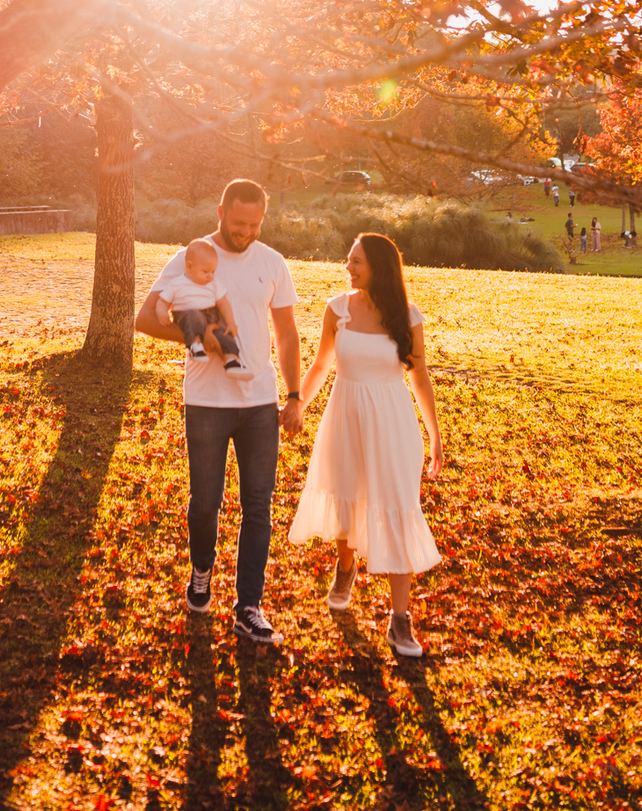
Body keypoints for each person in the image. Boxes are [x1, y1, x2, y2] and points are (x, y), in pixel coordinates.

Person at [135, 179, 302, 645]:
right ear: (220, 211)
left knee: (258, 504)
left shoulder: (272, 263)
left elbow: (287, 335)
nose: (245, 232)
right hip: (207, 402)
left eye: (254, 224)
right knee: (205, 503)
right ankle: (202, 572)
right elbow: (146, 319)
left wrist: (293, 395)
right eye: (238, 222)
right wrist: (199, 339)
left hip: (260, 403)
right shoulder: (190, 257)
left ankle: (249, 605)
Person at [289, 234, 442, 658]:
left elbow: (419, 376)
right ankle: (345, 566)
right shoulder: (337, 308)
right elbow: (321, 364)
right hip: (345, 412)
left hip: (393, 420)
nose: (348, 267)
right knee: (345, 495)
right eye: (348, 260)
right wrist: (298, 402)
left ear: (380, 266)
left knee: (396, 507)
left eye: (357, 261)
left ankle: (399, 619)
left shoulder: (407, 315)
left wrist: (435, 435)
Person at [155, 237, 248, 378]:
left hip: (210, 317)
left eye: (213, 271)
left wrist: (231, 323)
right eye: (205, 272)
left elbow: (223, 303)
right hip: (186, 315)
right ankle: (195, 346)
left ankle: (231, 362)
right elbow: (162, 302)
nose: (210, 276)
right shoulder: (177, 284)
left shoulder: (213, 284)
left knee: (224, 336)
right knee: (194, 316)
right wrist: (162, 313)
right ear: (189, 266)